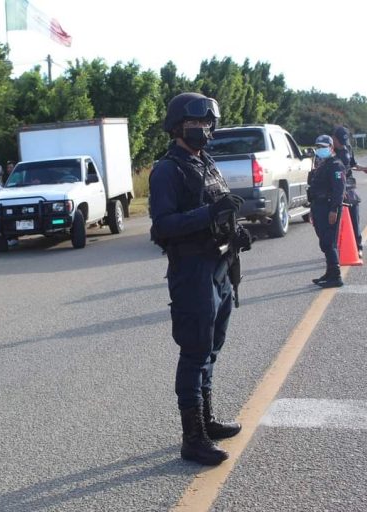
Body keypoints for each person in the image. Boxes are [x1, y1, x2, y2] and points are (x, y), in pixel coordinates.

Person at [149, 92, 248, 466]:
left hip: (219, 265)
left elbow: (220, 209)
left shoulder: (206, 163)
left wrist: (234, 232)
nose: (204, 130)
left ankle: (206, 421)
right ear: (178, 127)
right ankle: (193, 438)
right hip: (192, 271)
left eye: (208, 124)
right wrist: (209, 214)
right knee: (194, 352)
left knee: (212, 347)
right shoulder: (168, 171)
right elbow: (162, 226)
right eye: (196, 124)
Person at [307, 135, 346, 288]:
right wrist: (312, 210)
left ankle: (336, 276)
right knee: (324, 242)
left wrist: (334, 209)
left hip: (329, 207)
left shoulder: (336, 165)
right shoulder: (324, 164)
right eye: (318, 147)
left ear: (331, 147)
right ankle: (330, 272)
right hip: (319, 206)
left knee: (329, 242)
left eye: (323, 146)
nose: (320, 149)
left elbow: (339, 190)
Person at [332, 126, 367, 257]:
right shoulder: (329, 151)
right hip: (334, 188)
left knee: (354, 217)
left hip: (349, 187)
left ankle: (358, 247)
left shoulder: (348, 148)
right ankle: (336, 249)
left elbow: (353, 164)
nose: (343, 145)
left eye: (345, 142)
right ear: (334, 139)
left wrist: (363, 168)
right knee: (336, 222)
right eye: (340, 142)